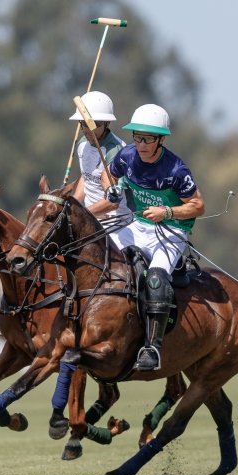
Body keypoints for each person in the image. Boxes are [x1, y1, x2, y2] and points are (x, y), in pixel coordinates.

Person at [101, 104, 205, 371]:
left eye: (148, 139)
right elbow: (108, 174)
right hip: (137, 224)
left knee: (156, 279)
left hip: (170, 230)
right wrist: (110, 190)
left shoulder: (176, 169)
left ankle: (152, 348)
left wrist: (167, 210)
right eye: (137, 137)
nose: (141, 144)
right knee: (103, 257)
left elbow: (197, 206)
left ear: (161, 139)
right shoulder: (127, 155)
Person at [68, 91, 130, 219]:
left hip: (116, 221)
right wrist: (71, 205)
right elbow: (86, 177)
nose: (88, 130)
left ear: (107, 123)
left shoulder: (117, 151)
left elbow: (113, 203)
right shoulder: (82, 144)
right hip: (89, 217)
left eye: (96, 124)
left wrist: (80, 214)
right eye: (84, 124)